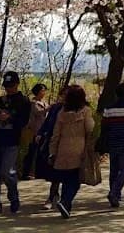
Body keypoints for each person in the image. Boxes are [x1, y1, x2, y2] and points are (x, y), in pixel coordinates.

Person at [0, 70, 32, 218]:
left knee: (7, 172)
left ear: (17, 84)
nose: (9, 88)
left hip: (11, 142)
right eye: (7, 85)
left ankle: (13, 196)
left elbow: (23, 122)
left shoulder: (23, 101)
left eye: (11, 85)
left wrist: (9, 118)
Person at [48, 85, 95, 219]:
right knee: (75, 180)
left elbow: (55, 134)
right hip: (79, 148)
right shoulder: (85, 111)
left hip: (63, 148)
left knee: (66, 178)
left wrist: (52, 151)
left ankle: (66, 206)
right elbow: (89, 128)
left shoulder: (61, 113)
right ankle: (65, 201)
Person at [33, 98, 65, 210]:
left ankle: (63, 197)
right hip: (54, 141)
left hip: (71, 144)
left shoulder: (79, 108)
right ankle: (53, 196)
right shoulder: (56, 108)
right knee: (54, 169)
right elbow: (48, 122)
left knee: (68, 173)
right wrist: (41, 133)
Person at [22, 83, 49, 180]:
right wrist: (48, 109)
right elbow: (38, 113)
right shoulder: (33, 103)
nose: (44, 92)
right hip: (34, 130)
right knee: (32, 152)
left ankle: (39, 172)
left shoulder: (44, 103)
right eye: (42, 90)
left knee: (41, 152)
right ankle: (26, 172)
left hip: (43, 131)